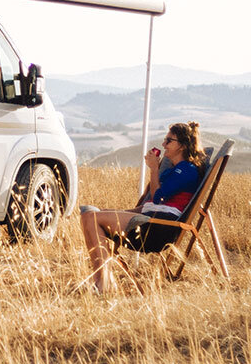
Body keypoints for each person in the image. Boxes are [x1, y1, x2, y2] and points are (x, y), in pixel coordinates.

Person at [80, 122, 205, 293]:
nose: (164, 144)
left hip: (159, 228)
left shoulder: (188, 170)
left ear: (182, 145)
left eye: (169, 140)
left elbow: (158, 197)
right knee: (89, 214)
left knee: (91, 218)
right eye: (164, 140)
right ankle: (102, 280)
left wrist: (154, 169)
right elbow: (149, 205)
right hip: (149, 219)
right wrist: (111, 212)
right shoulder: (171, 170)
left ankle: (103, 283)